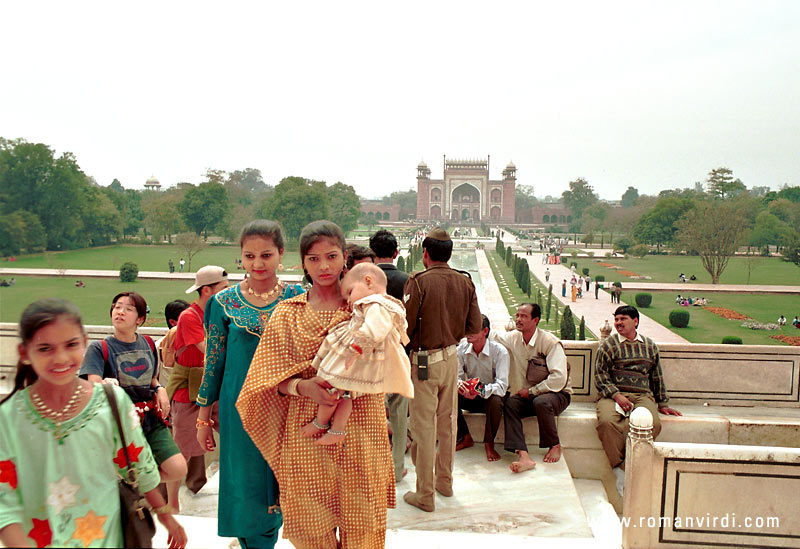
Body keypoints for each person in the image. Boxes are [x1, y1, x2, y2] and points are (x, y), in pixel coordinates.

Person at [236, 220, 393, 548]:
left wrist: (349, 382)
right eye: (313, 259)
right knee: (311, 535)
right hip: (306, 436)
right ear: (302, 262)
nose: (324, 266)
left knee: (364, 532)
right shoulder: (287, 314)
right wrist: (302, 387)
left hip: (361, 430)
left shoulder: (366, 309)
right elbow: (263, 380)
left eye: (331, 256)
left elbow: (386, 365)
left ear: (345, 257)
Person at [0, 299, 187, 548]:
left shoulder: (110, 403)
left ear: (84, 344)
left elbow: (139, 467)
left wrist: (165, 515)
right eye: (45, 348)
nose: (61, 357)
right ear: (24, 353)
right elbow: (5, 503)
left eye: (71, 344)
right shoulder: (10, 418)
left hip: (107, 537)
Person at [195, 221, 303, 549]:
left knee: (279, 482)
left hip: (284, 405)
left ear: (281, 254)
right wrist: (203, 417)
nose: (257, 264)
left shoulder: (298, 297)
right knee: (243, 483)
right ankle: (251, 543)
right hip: (236, 407)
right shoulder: (223, 302)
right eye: (249, 255)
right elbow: (213, 362)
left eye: (266, 255)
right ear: (240, 257)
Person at [80, 292, 187, 511]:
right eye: (117, 307)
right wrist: (104, 383)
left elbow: (153, 378)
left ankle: (135, 485)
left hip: (150, 419)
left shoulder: (147, 343)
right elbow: (92, 384)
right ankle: (129, 489)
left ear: (139, 319)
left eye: (128, 309)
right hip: (120, 425)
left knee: (177, 468)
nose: (120, 312)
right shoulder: (99, 348)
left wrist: (160, 390)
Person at [402, 228, 482, 512]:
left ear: (426, 253)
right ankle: (445, 481)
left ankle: (425, 493)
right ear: (449, 254)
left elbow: (404, 329)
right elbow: (474, 329)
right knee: (447, 423)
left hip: (424, 361)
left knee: (424, 427)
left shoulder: (419, 282)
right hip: (451, 359)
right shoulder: (465, 282)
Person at [302, 263, 413, 445]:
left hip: (361, 356)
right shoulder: (375, 304)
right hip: (360, 355)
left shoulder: (377, 304)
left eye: (350, 292)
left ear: (368, 281)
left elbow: (375, 329)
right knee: (343, 392)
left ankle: (321, 423)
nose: (348, 301)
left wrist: (357, 347)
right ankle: (336, 429)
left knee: (333, 385)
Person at [594, 305, 682, 495]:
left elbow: (656, 377)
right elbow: (601, 376)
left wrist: (663, 404)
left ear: (635, 321)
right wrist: (617, 395)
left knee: (653, 425)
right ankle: (618, 469)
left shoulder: (649, 346)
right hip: (613, 395)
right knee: (607, 424)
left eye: (623, 319)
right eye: (616, 320)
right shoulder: (608, 345)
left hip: (642, 395)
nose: (618, 323)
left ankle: (623, 470)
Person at [164, 266, 228, 506]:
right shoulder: (190, 317)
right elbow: (209, 351)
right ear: (207, 290)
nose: (227, 293)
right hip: (189, 392)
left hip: (214, 387)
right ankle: (170, 502)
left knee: (236, 435)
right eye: (223, 289)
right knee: (181, 449)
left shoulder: (220, 312)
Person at [492, 303, 572, 472]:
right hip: (528, 396)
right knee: (510, 404)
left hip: (557, 394)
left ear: (535, 320)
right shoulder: (513, 338)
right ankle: (523, 455)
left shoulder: (549, 342)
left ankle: (555, 445)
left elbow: (559, 378)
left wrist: (531, 391)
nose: (518, 320)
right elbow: (493, 336)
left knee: (541, 402)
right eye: (517, 315)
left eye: (524, 316)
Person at [369, 229, 411, 480]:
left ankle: (372, 468)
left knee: (370, 414)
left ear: (372, 254)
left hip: (369, 357)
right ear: (397, 253)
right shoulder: (407, 280)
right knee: (398, 415)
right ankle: (395, 470)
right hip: (399, 355)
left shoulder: (363, 280)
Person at [455, 314, 509, 462]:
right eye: (467, 328)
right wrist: (461, 385)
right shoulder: (461, 349)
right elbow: (456, 377)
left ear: (485, 331)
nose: (467, 333)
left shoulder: (500, 352)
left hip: (490, 398)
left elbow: (502, 386)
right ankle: (464, 436)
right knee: (448, 395)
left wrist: (480, 390)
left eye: (472, 329)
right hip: (470, 396)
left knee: (496, 401)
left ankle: (489, 443)